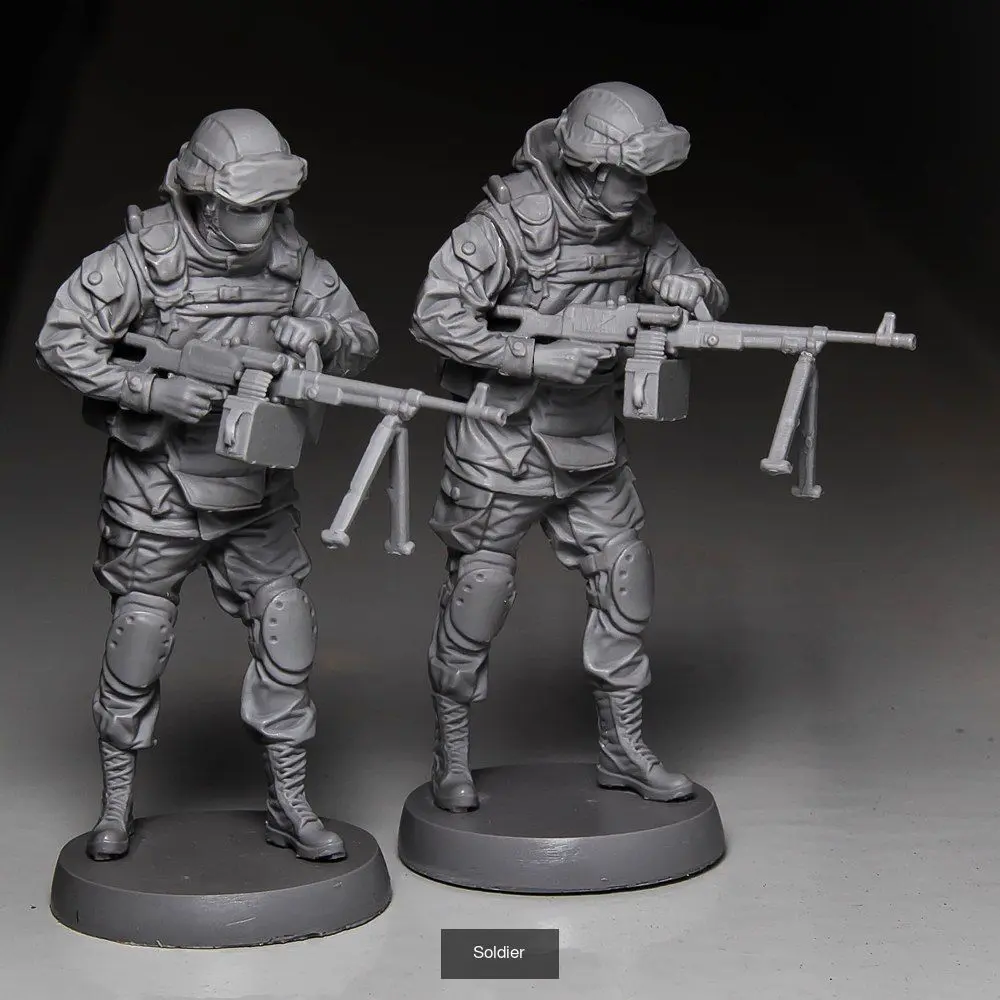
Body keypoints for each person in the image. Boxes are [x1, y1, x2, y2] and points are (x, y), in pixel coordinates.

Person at [36, 108, 378, 861]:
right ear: (203, 196)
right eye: (246, 206)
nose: (262, 222)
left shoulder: (291, 259)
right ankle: (115, 807)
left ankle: (290, 804)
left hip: (254, 490)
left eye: (273, 206)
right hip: (156, 489)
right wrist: (152, 391)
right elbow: (62, 340)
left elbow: (361, 336)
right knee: (140, 636)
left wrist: (320, 335)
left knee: (287, 624)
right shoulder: (144, 257)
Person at [410, 82, 729, 813]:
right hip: (503, 443)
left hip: (589, 442)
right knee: (478, 593)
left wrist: (692, 289)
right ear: (590, 167)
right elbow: (433, 313)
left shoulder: (636, 222)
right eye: (629, 175)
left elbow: (698, 282)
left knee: (626, 578)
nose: (641, 189)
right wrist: (532, 358)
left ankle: (623, 749)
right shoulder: (509, 221)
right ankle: (451, 755)